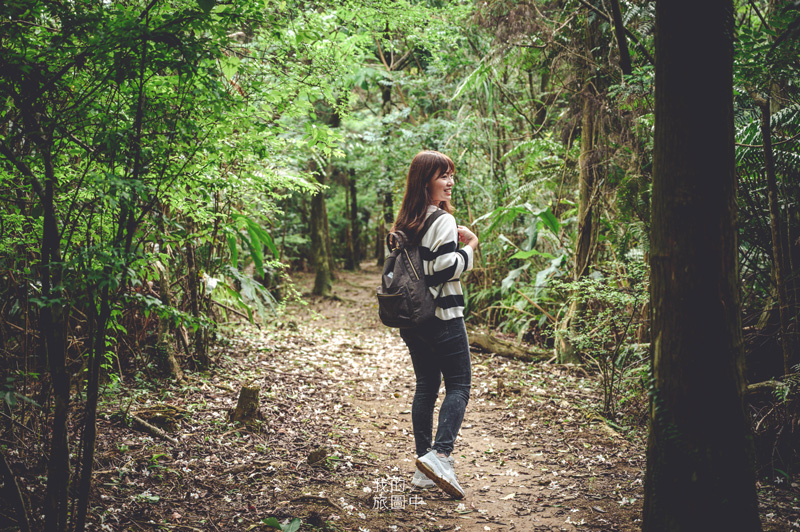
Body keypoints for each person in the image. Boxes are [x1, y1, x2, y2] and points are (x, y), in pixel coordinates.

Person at [391, 150, 479, 499]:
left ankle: (424, 469)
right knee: (459, 385)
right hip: (443, 316)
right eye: (443, 175)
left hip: (413, 321)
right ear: (425, 180)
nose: (450, 182)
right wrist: (470, 246)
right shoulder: (440, 220)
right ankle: (441, 456)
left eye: (451, 175)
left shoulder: (406, 222)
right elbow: (441, 269)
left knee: (427, 386)